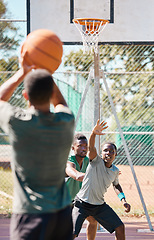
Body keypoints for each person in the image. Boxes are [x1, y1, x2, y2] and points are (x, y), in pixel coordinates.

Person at [0, 58, 75, 240]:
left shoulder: (17, 122)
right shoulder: (66, 122)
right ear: (50, 94)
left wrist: (22, 72)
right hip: (62, 216)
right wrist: (46, 70)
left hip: (30, 214)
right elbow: (61, 104)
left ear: (25, 95)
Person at [72, 120, 131, 240]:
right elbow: (92, 147)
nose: (108, 153)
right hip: (81, 204)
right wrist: (93, 134)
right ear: (101, 153)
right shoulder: (95, 161)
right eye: (105, 150)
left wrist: (123, 200)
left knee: (120, 227)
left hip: (99, 206)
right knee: (72, 233)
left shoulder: (115, 171)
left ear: (115, 154)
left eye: (111, 151)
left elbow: (116, 185)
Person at [65, 133, 98, 240]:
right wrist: (93, 175)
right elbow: (77, 175)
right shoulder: (69, 162)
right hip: (64, 203)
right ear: (73, 148)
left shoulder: (88, 161)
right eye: (80, 146)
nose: (84, 149)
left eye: (85, 146)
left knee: (93, 220)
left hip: (79, 201)